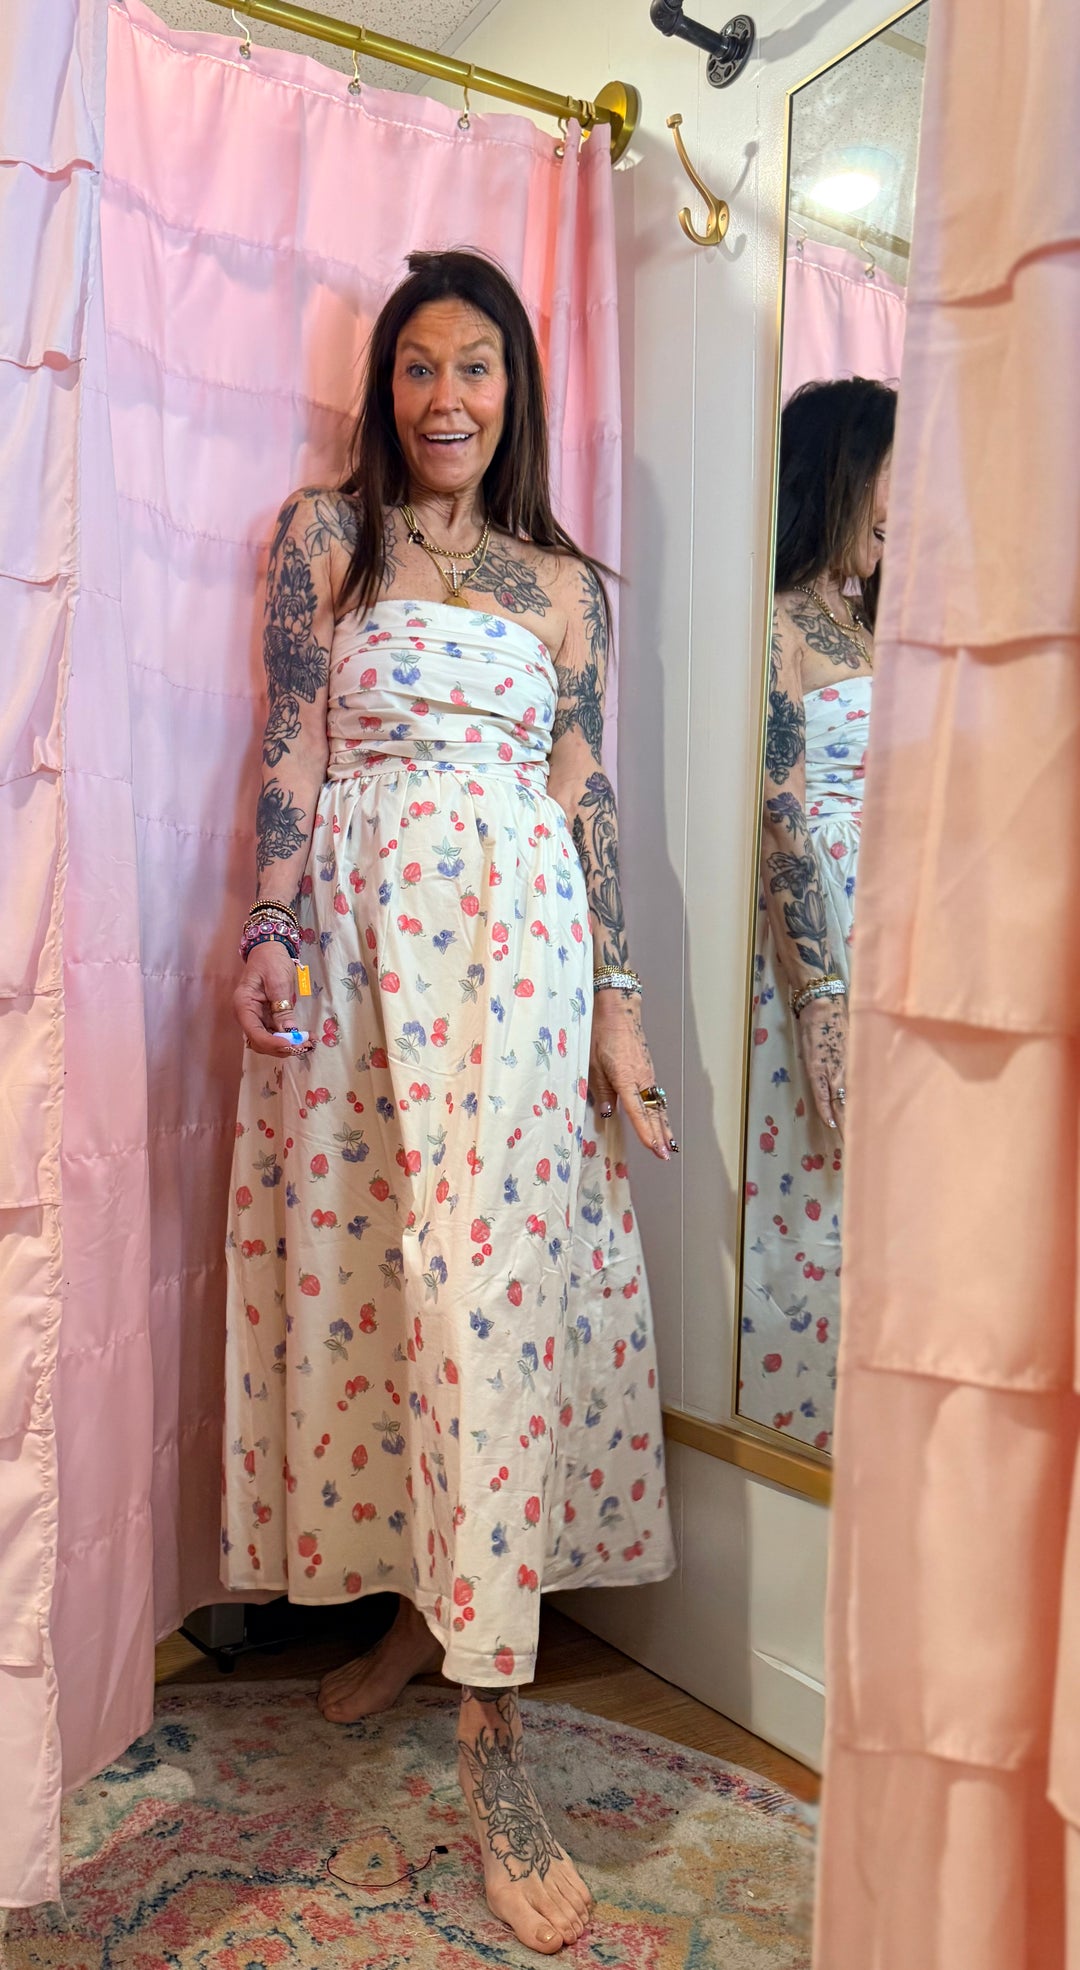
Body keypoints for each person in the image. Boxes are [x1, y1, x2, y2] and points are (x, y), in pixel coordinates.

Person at [223, 249, 676, 1956]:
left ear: (518, 388)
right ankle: (420, 1612)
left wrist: (621, 1015)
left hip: (522, 956)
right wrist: (266, 925)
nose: (446, 401)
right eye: (419, 368)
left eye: (477, 368)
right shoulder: (322, 537)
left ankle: (495, 1721)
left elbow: (589, 795)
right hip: (356, 955)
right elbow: (288, 740)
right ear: (384, 386)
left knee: (492, 1308)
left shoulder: (568, 587)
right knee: (380, 1304)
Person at [740, 378, 896, 1452]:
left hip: (908, 932)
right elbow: (780, 813)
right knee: (812, 1208)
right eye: (895, 475)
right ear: (842, 471)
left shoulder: (882, 627)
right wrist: (820, 990)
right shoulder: (778, 623)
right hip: (824, 934)